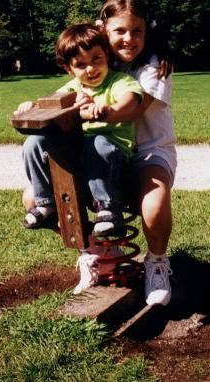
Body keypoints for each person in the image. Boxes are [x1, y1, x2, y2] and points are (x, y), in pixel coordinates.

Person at [14, 23, 143, 240]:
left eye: (96, 59)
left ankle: (108, 208)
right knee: (34, 142)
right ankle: (46, 204)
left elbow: (130, 99)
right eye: (80, 65)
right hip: (81, 166)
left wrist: (110, 109)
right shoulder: (72, 89)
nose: (90, 69)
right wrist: (32, 107)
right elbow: (50, 106)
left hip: (114, 165)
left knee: (98, 142)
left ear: (107, 56)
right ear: (69, 69)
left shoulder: (119, 82)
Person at [92, 0, 176, 306]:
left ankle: (156, 262)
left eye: (137, 30)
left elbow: (135, 108)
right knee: (52, 192)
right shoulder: (96, 61)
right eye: (120, 31)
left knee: (153, 205)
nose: (129, 38)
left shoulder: (155, 65)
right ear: (103, 30)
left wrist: (102, 111)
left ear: (147, 32)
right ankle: (96, 253)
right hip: (110, 149)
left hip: (150, 152)